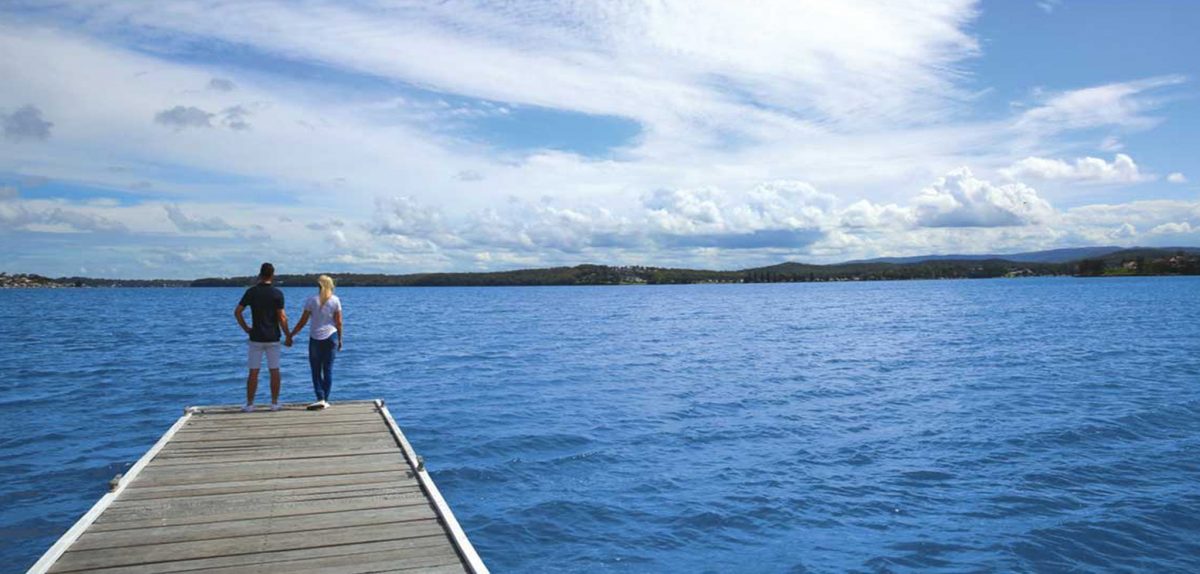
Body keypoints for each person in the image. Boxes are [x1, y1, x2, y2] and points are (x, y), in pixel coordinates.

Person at [234, 262, 289, 412]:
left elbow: (237, 312)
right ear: (272, 275)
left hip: (256, 337)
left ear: (260, 274)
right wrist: (288, 335)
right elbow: (282, 317)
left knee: (253, 371)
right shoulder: (277, 293)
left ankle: (250, 404)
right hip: (273, 337)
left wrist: (246, 328)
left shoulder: (251, 292)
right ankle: (274, 403)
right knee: (274, 370)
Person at [287, 274, 342, 410]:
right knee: (328, 369)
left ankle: (320, 398)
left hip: (315, 338)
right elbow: (339, 322)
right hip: (331, 336)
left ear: (319, 286)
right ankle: (326, 400)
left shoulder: (311, 300)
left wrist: (291, 334)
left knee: (316, 370)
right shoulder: (335, 300)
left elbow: (303, 321)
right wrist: (340, 339)